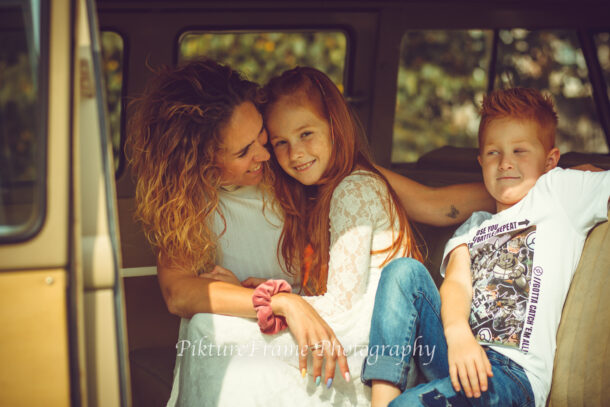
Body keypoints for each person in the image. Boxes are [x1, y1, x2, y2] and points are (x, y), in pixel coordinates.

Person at [126, 58, 493, 406]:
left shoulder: (320, 175)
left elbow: (436, 204)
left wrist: (525, 189)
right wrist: (277, 300)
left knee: (210, 332)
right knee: (206, 326)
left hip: (354, 329)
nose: (268, 155)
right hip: (299, 310)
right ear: (203, 158)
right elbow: (178, 292)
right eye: (245, 150)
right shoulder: (189, 202)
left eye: (262, 138)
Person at [361, 87, 610, 407]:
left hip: (512, 374)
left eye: (520, 151)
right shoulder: (474, 224)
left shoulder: (558, 192)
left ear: (550, 160)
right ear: (480, 161)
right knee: (402, 271)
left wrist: (584, 173)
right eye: (494, 152)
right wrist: (458, 334)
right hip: (455, 353)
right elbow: (456, 284)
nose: (506, 162)